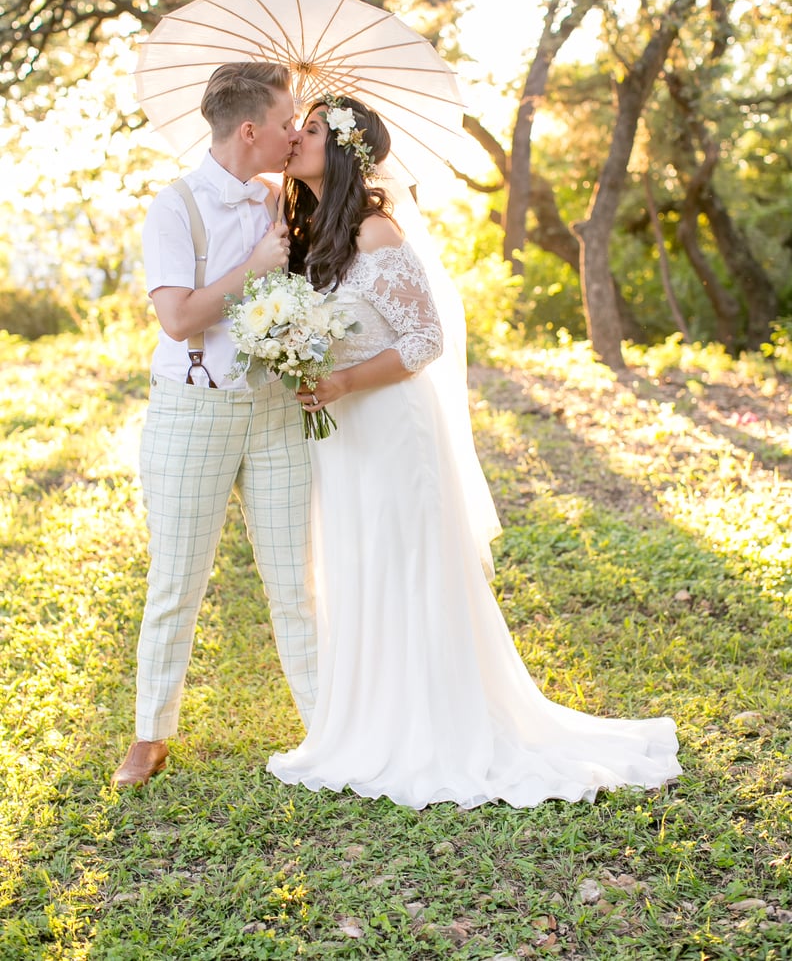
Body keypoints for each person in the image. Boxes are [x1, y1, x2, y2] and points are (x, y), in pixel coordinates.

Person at [266, 94, 681, 810]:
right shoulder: (311, 234)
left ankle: (434, 730)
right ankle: (372, 721)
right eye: (295, 129)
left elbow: (424, 340)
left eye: (308, 131)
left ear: (342, 151)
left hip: (391, 422)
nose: (294, 140)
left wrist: (342, 379)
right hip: (345, 434)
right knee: (361, 562)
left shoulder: (378, 233)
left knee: (408, 564)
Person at [112, 62, 316, 787]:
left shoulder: (278, 200)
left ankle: (324, 730)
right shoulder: (176, 207)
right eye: (289, 122)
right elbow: (177, 319)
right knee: (177, 579)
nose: (297, 133)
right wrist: (254, 270)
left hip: (273, 415)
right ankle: (150, 734)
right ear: (251, 130)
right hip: (192, 413)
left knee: (298, 581)